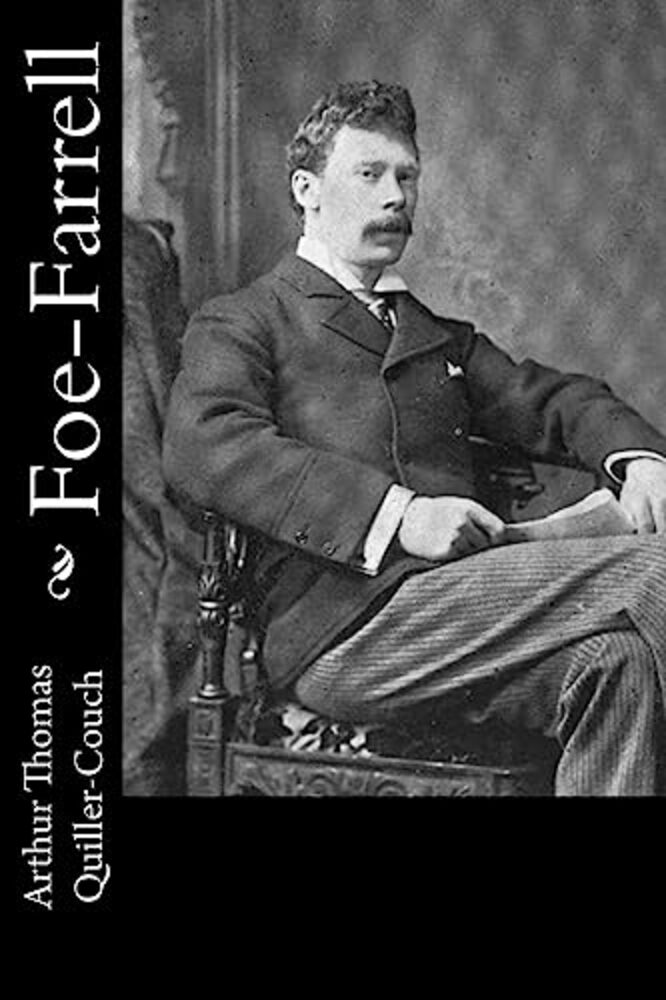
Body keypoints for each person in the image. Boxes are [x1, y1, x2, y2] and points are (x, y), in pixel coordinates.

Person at [163, 81, 666, 795]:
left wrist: (644, 463)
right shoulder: (247, 318)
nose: (395, 196)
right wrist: (398, 515)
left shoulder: (429, 332)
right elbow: (206, 444)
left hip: (457, 620)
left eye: (407, 176)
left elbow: (552, 399)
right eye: (369, 174)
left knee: (617, 665)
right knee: (655, 570)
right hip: (344, 630)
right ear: (307, 189)